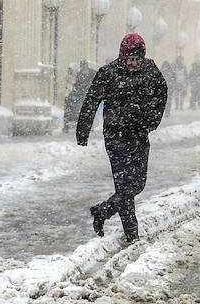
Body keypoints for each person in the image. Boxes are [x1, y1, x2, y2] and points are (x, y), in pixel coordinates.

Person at [77, 33, 168, 243]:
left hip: (139, 135)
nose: (134, 64)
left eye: (138, 59)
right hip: (116, 137)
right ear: (122, 57)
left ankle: (102, 211)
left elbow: (162, 93)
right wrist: (83, 131)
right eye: (130, 60)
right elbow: (91, 101)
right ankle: (132, 235)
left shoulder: (150, 70)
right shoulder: (108, 73)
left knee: (138, 185)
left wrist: (153, 119)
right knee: (125, 188)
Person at [63, 61, 94, 133]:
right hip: (74, 95)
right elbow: (74, 85)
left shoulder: (90, 73)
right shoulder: (78, 74)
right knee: (72, 111)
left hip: (82, 95)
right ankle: (67, 126)